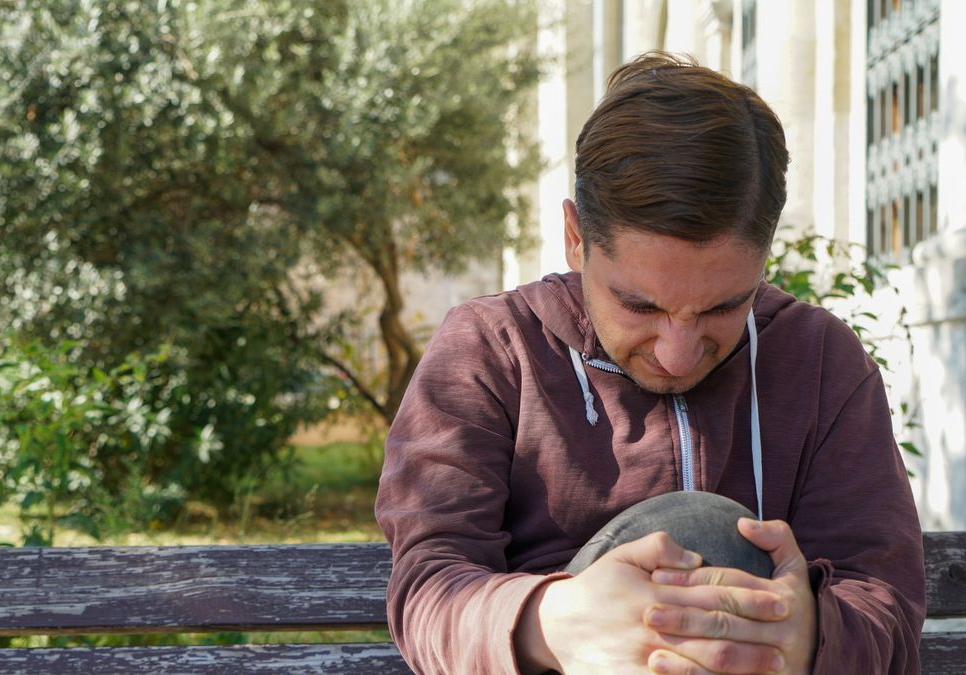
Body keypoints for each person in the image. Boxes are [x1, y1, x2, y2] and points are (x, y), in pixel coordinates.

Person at [375, 52, 925, 674]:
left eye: (723, 306)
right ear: (576, 238)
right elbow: (428, 589)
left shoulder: (820, 360)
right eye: (640, 305)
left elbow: (885, 605)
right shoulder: (491, 351)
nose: (677, 351)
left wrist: (809, 638)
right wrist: (554, 623)